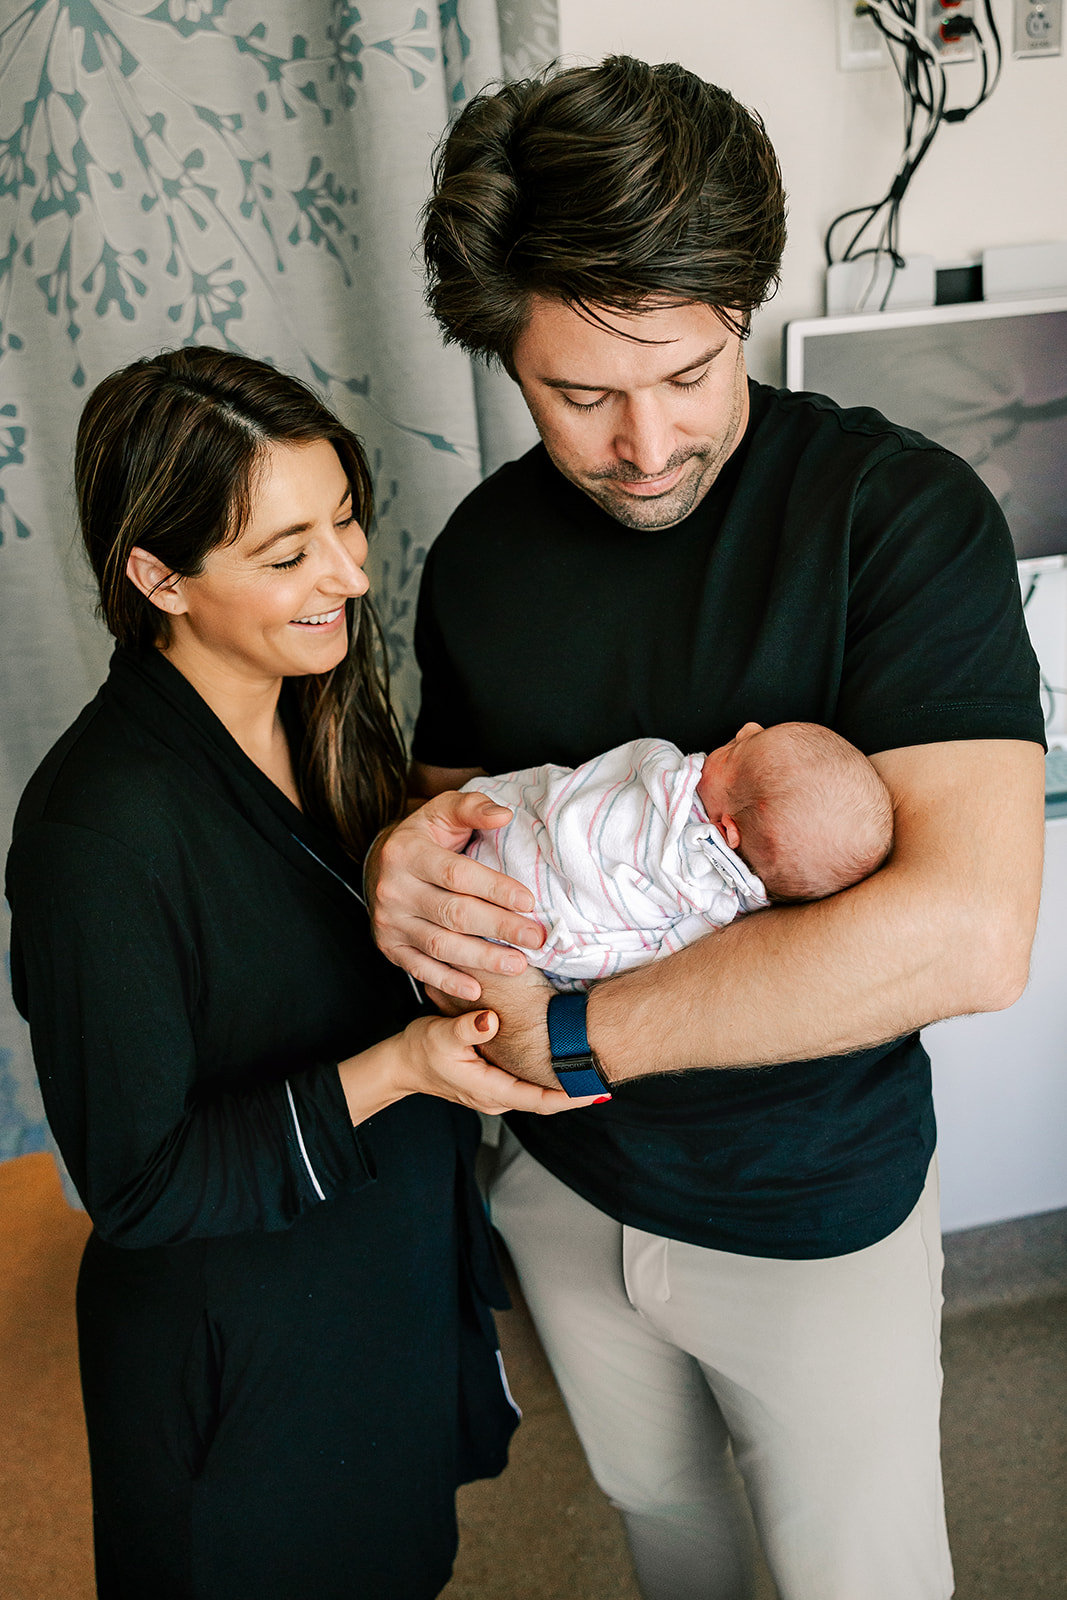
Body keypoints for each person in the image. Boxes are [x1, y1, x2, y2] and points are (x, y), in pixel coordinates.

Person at [367, 56, 1047, 1600]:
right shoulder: (478, 557)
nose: (645, 441)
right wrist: (398, 863)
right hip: (562, 1187)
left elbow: (968, 931)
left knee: (855, 1579)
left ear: (740, 302)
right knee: (665, 1545)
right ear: (504, 358)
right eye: (577, 393)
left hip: (812, 1211)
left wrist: (591, 1033)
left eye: (685, 372)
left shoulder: (898, 517)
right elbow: (450, 816)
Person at [4, 347, 600, 1600]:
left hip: (372, 1284)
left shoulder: (321, 707)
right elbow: (142, 1188)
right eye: (288, 554)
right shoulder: (95, 835)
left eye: (343, 518)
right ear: (157, 576)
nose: (349, 573)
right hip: (240, 1345)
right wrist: (403, 1066)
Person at [462, 723, 893, 988]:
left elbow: (579, 803)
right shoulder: (720, 913)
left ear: (725, 831)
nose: (745, 729)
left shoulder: (665, 790)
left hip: (513, 867)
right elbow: (664, 949)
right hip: (526, 936)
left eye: (736, 753)